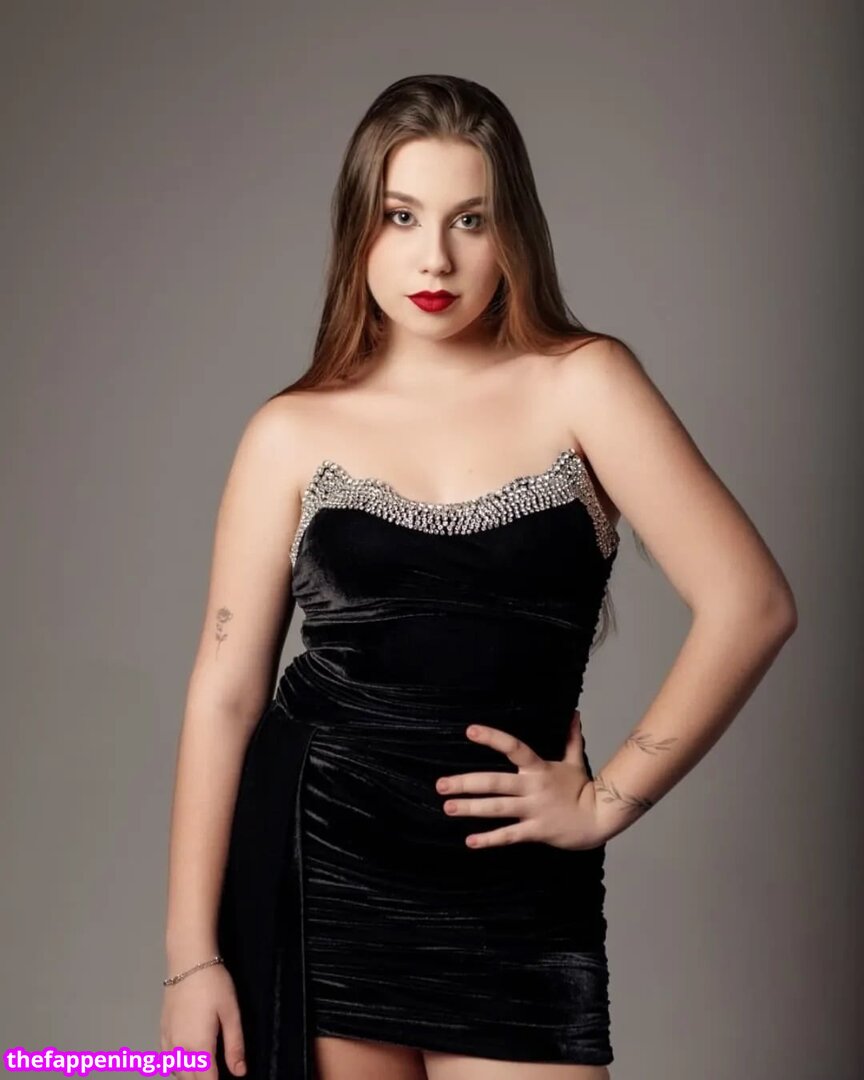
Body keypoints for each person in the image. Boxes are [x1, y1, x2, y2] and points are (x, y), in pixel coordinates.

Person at [160, 74, 797, 1080]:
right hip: (321, 873)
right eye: (401, 217)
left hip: (518, 898)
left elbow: (751, 604)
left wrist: (607, 800)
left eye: (471, 220)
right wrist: (190, 957)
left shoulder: (585, 383)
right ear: (358, 229)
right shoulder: (289, 432)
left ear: (515, 235)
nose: (435, 258)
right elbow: (225, 693)